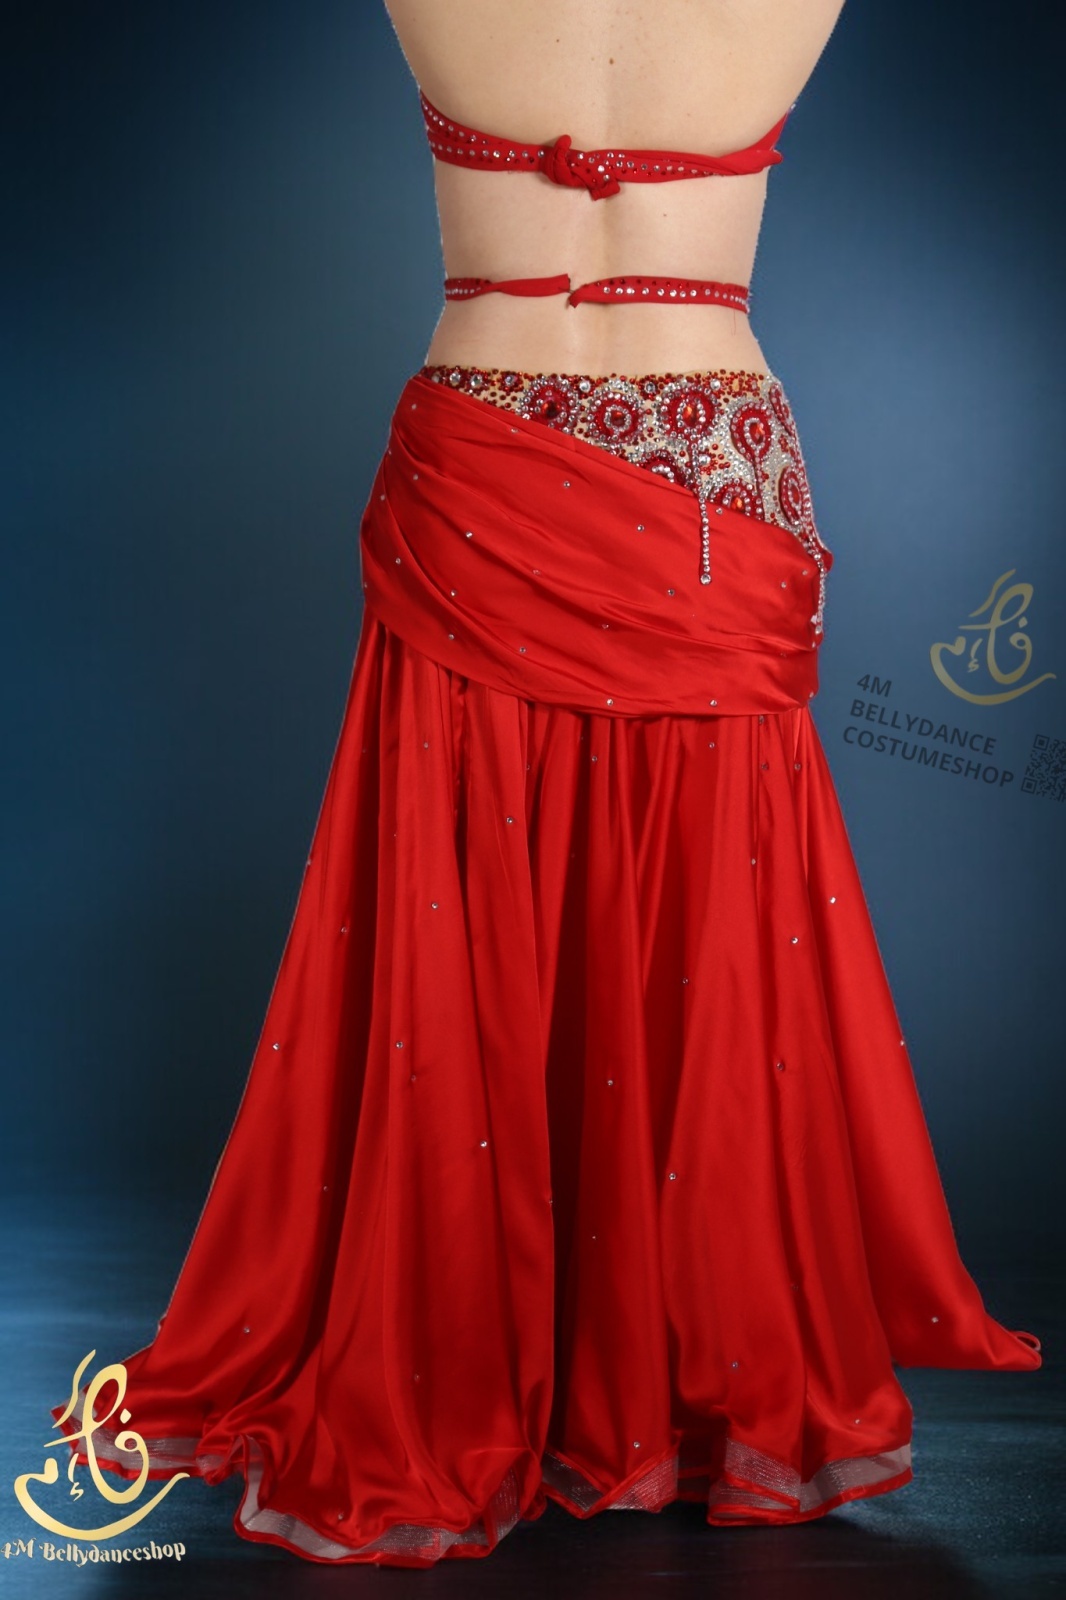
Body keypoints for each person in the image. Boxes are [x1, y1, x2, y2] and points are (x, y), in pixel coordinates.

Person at [51, 0, 1041, 1569]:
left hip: (486, 433)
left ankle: (527, 1363)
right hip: (707, 462)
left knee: (479, 902)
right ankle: (672, 1380)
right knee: (707, 918)